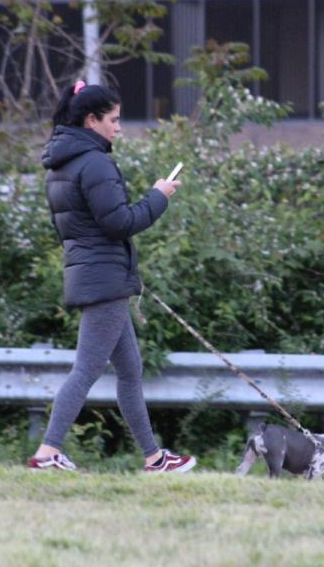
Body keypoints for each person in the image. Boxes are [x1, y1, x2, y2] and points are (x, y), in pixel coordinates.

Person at [27, 80, 196, 473]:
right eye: (114, 120)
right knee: (86, 369)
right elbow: (120, 222)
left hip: (95, 275)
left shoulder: (63, 163)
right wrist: (159, 195)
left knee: (130, 370)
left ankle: (154, 457)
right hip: (105, 280)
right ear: (91, 120)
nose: (119, 128)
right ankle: (48, 452)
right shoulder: (95, 162)